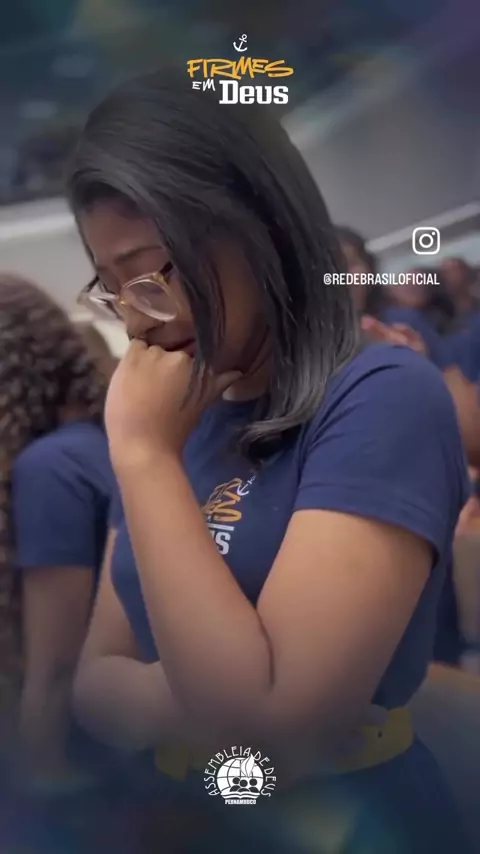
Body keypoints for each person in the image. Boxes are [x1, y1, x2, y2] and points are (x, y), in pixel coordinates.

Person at [67, 71, 469, 853]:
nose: (139, 320)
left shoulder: (382, 394)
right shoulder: (179, 409)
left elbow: (266, 741)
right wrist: (200, 698)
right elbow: (92, 680)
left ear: (258, 225)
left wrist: (145, 458)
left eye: (152, 273)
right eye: (112, 289)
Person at [0, 274, 114, 783]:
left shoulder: (51, 469)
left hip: (84, 760)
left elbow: (56, 667)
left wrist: (34, 772)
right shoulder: (99, 442)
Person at [336, 228, 448, 368]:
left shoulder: (405, 320)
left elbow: (452, 377)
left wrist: (420, 362)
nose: (344, 276)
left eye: (351, 264)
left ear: (368, 267)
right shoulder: (322, 344)